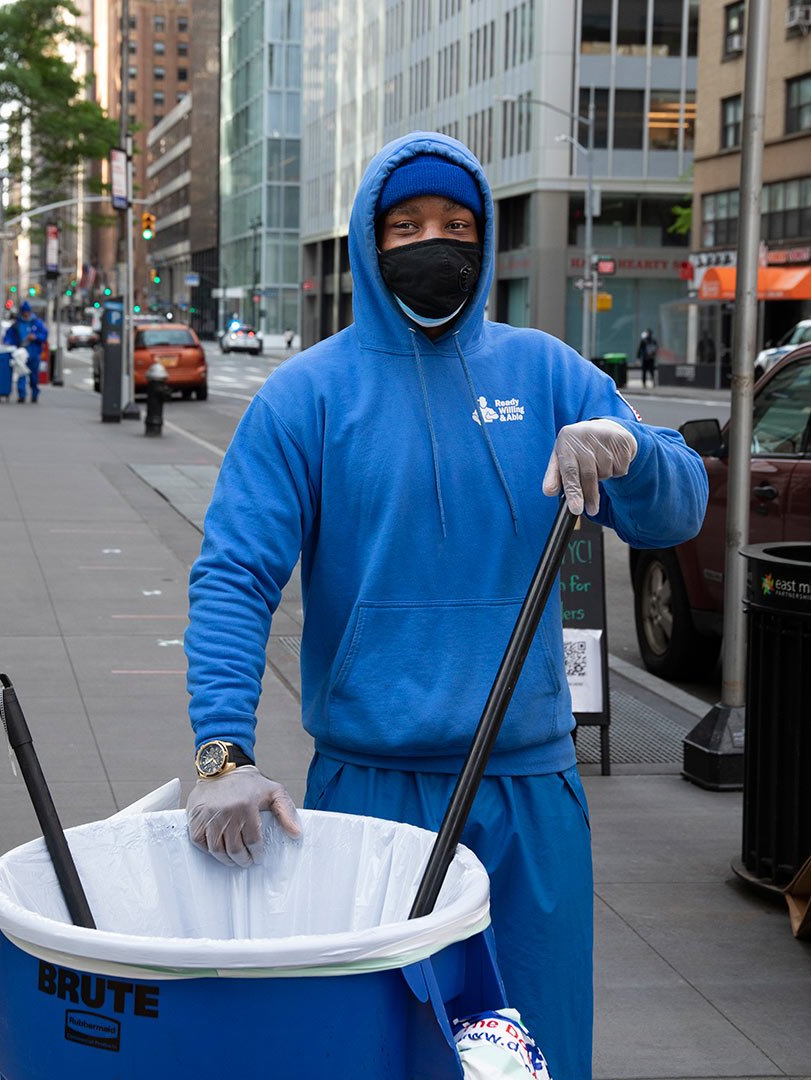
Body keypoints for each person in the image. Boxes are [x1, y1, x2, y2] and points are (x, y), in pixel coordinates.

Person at [184, 132, 708, 1080]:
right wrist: (221, 752)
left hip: (525, 799)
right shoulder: (307, 396)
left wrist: (634, 450)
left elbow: (677, 509)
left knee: (533, 1056)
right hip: (368, 799)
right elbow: (234, 575)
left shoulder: (547, 374)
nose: (436, 242)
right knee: (375, 1058)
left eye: (458, 225)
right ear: (368, 241)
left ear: (489, 239)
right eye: (408, 225)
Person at [3, 300, 48, 402]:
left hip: (34, 353)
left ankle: (34, 393)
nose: (26, 314)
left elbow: (44, 335)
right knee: (21, 374)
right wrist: (8, 342)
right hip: (21, 353)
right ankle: (21, 395)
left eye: (27, 312)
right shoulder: (17, 324)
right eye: (24, 312)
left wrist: (35, 337)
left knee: (34, 376)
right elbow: (8, 336)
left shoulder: (37, 322)